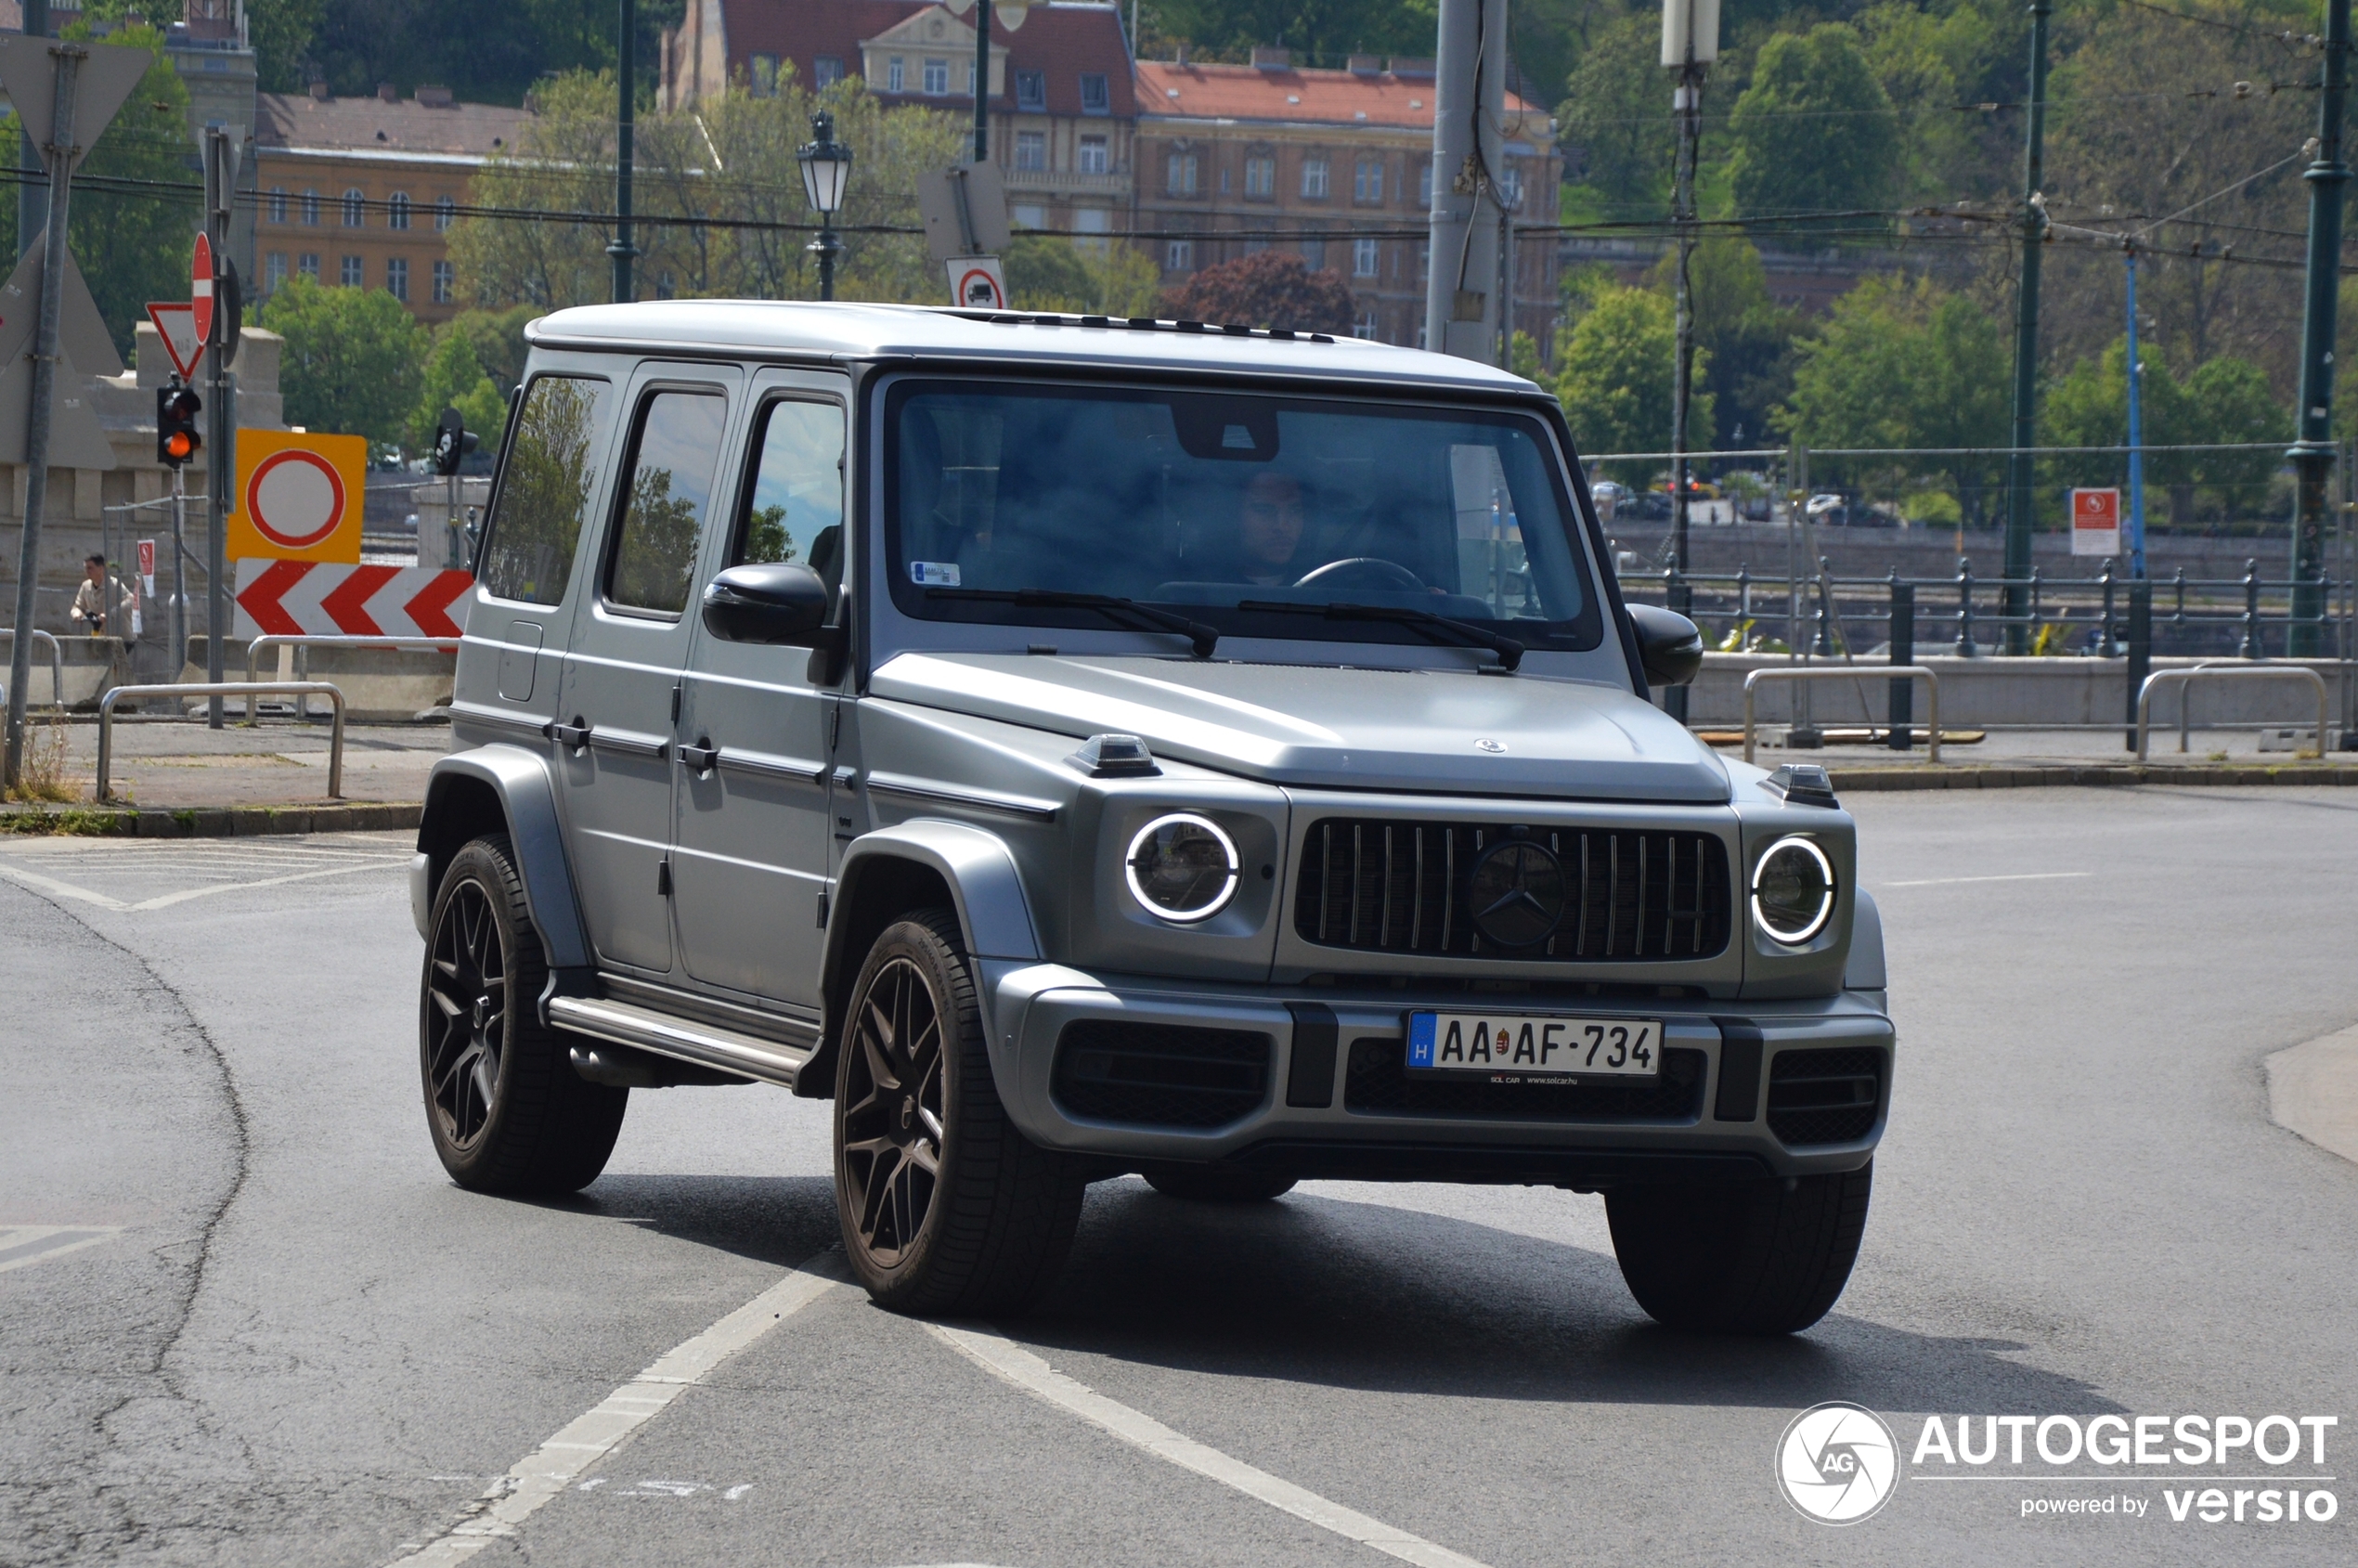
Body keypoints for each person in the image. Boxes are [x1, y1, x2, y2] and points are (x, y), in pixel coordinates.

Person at [1237, 473, 1307, 586]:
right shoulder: (1203, 589)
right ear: (1236, 517)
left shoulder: (1329, 588)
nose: (1282, 526)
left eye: (1294, 510)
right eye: (1264, 510)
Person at [70, 554, 135, 640]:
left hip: (120, 637)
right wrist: (76, 613)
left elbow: (130, 601)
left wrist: (109, 614)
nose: (86, 571)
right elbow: (78, 606)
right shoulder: (85, 586)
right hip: (101, 637)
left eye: (90, 568)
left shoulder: (114, 584)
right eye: (85, 568)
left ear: (100, 569)